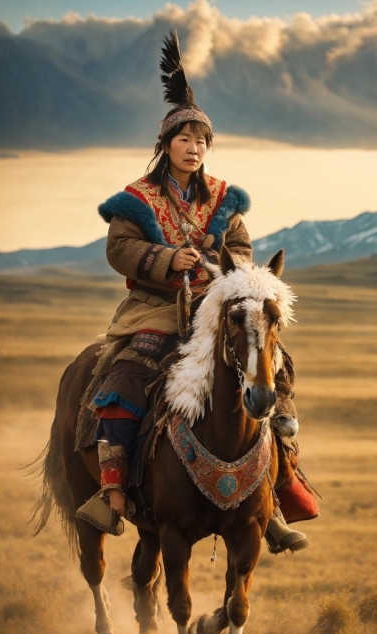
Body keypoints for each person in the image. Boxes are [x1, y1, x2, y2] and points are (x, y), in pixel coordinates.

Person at [84, 31, 314, 553]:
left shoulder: (223, 201)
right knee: (126, 379)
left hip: (214, 309)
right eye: (185, 139)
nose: (194, 148)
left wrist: (215, 261)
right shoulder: (136, 199)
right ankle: (114, 493)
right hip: (155, 308)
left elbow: (241, 250)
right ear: (165, 146)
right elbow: (119, 249)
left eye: (202, 141)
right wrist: (169, 260)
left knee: (274, 368)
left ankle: (276, 494)